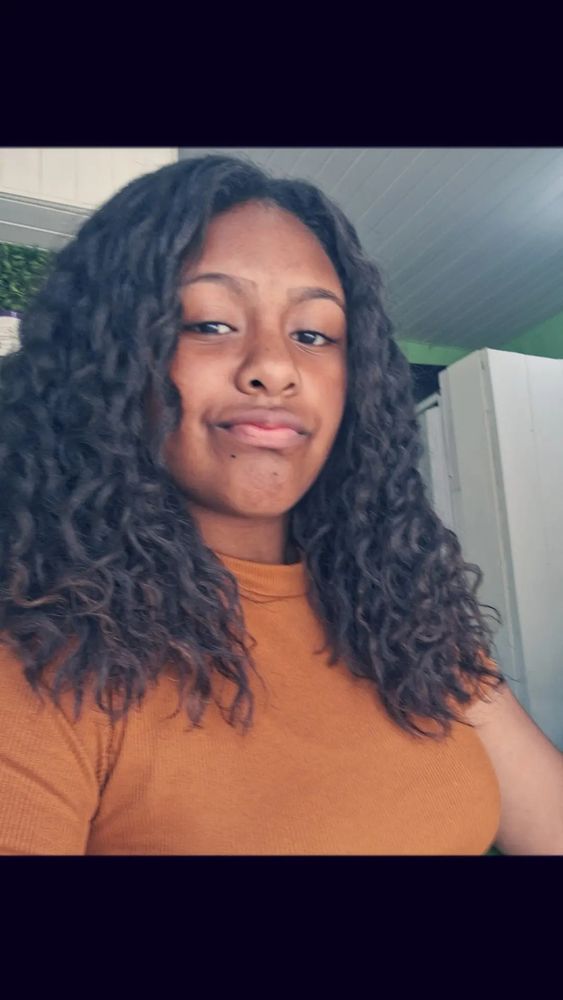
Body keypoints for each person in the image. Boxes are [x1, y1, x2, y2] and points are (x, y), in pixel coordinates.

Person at [0, 154, 561, 856]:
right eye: (208, 323)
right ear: (107, 361)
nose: (274, 366)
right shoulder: (37, 656)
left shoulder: (408, 616)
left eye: (312, 334)